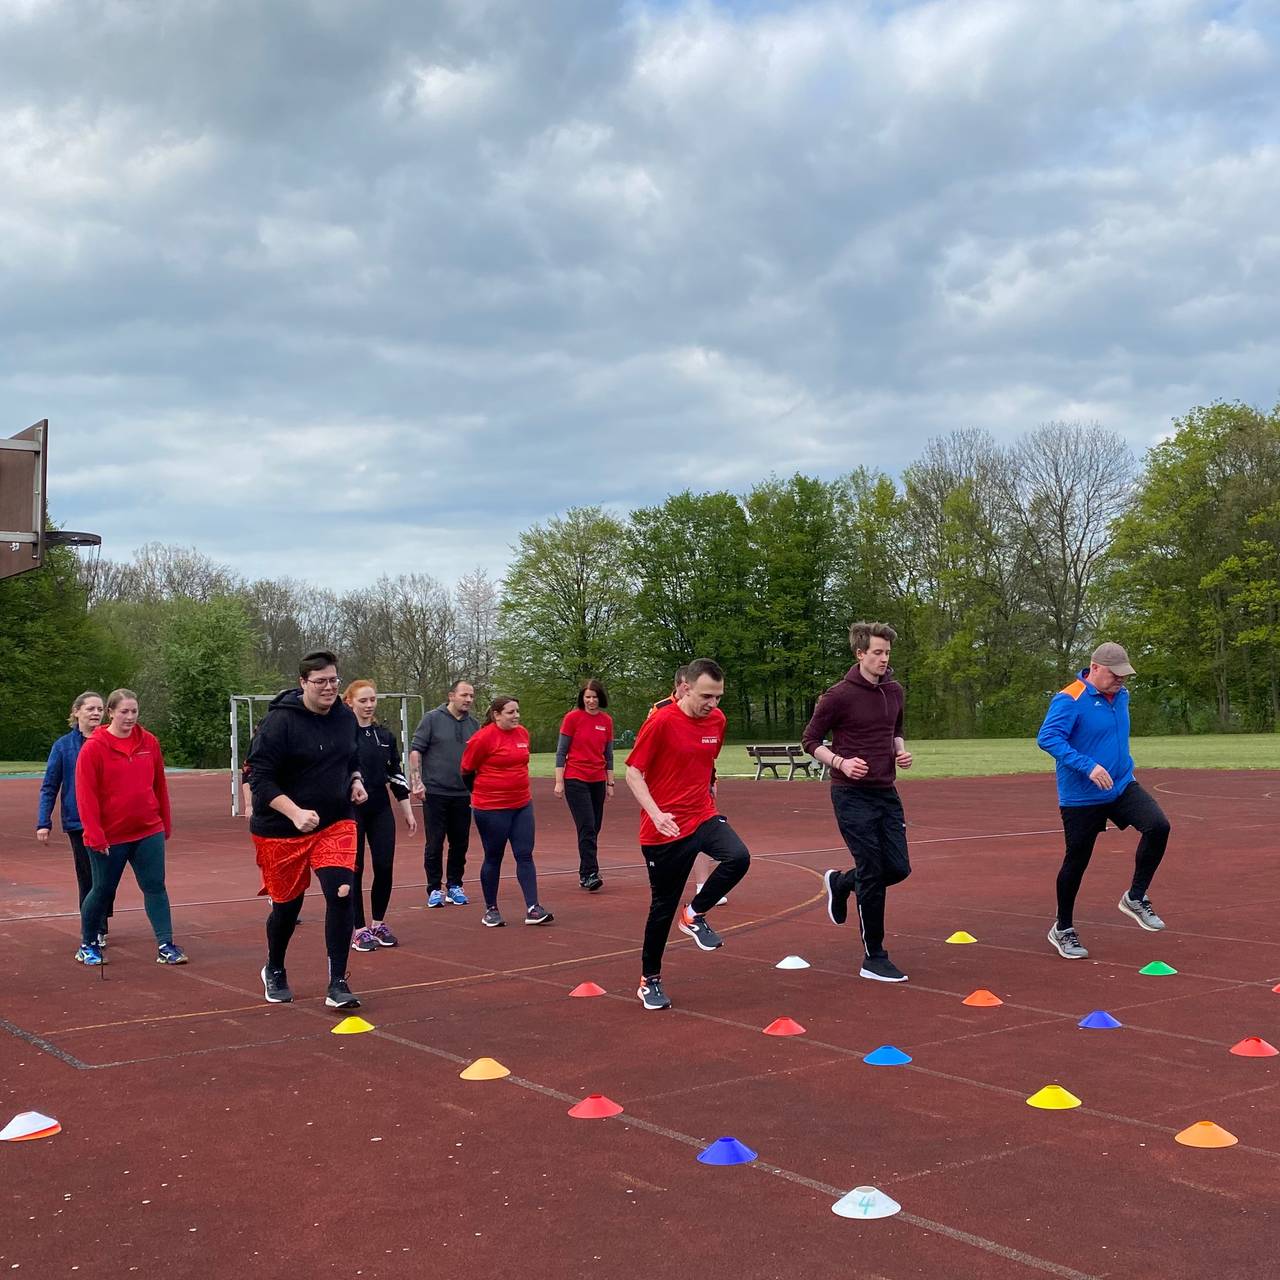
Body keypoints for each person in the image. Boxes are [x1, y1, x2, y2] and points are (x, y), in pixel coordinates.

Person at [625, 657, 751, 1011]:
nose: (713, 704)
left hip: (702, 815)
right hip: (662, 829)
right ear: (684, 688)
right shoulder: (661, 722)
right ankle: (649, 980)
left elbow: (707, 760)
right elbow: (634, 772)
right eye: (706, 696)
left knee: (738, 857)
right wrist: (656, 812)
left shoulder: (717, 720)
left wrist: (709, 791)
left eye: (719, 697)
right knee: (661, 908)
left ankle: (694, 914)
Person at [1037, 642, 1172, 959]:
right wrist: (1088, 765)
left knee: (1158, 826)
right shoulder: (1069, 698)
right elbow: (1048, 738)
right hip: (1082, 795)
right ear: (1094, 668)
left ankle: (1135, 897)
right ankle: (1063, 928)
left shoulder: (1121, 695)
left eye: (1124, 675)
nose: (1121, 680)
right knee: (1077, 861)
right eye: (1115, 674)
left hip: (1121, 785)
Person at [249, 651, 367, 1008]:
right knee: (287, 905)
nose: (329, 687)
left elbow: (351, 756)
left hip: (335, 821)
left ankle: (338, 983)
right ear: (303, 683)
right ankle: (275, 967)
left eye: (334, 680)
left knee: (342, 891)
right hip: (282, 828)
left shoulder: (345, 718)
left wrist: (356, 780)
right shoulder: (279, 724)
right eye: (321, 682)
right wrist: (295, 812)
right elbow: (260, 778)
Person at [802, 622, 913, 984]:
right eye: (877, 653)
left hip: (886, 792)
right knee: (872, 871)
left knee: (897, 868)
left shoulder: (895, 690)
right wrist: (841, 762)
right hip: (850, 795)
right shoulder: (838, 696)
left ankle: (842, 882)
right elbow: (810, 740)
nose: (883, 659)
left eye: (887, 653)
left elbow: (895, 728)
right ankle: (874, 957)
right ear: (860, 654)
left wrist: (900, 751)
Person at [74, 689, 186, 967]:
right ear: (111, 712)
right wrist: (94, 833)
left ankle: (165, 943)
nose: (129, 717)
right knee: (102, 889)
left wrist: (165, 823)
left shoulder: (149, 742)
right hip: (110, 835)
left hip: (148, 830)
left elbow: (159, 784)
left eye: (134, 711)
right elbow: (85, 794)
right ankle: (87, 943)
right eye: (124, 711)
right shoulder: (94, 747)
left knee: (155, 886)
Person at [460, 696, 552, 927]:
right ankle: (491, 909)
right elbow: (466, 771)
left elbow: (522, 763)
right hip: (491, 808)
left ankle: (533, 907)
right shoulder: (482, 738)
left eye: (517, 711)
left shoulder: (523, 734)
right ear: (496, 714)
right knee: (494, 856)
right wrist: (483, 794)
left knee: (524, 853)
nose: (516, 716)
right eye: (511, 712)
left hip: (521, 804)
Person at [36, 691, 117, 955]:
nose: (96, 713)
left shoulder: (111, 742)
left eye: (100, 709)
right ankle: (95, 929)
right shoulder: (63, 746)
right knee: (89, 878)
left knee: (108, 877)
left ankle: (100, 919)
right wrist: (43, 821)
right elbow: (50, 786)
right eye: (90, 708)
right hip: (78, 822)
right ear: (76, 712)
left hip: (112, 821)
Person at [343, 680, 416, 952]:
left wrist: (407, 810)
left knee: (384, 866)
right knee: (355, 869)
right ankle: (359, 929)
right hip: (350, 810)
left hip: (380, 809)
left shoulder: (385, 736)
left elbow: (395, 774)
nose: (369, 705)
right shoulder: (341, 734)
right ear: (349, 702)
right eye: (363, 700)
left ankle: (378, 923)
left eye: (372, 699)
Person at [409, 680, 479, 908]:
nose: (468, 700)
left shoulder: (474, 725)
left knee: (460, 842)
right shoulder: (432, 718)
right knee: (435, 841)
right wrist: (417, 781)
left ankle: (455, 885)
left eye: (471, 696)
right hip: (435, 792)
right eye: (464, 695)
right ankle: (434, 888)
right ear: (451, 695)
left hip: (462, 793)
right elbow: (416, 750)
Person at [554, 678, 615, 891]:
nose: (591, 701)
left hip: (597, 779)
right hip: (575, 778)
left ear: (600, 698)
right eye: (587, 697)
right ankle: (590, 873)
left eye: (594, 697)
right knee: (587, 825)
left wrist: (610, 782)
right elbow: (561, 752)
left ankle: (584, 872)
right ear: (582, 698)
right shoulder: (572, 718)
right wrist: (559, 782)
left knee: (593, 827)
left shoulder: (606, 721)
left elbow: (608, 754)